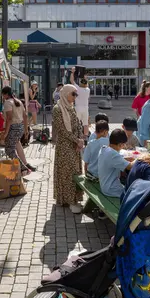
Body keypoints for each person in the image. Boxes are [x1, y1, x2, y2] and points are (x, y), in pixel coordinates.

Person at [53, 84, 85, 213]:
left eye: (76, 94)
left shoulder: (71, 108)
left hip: (74, 146)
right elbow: (62, 130)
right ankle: (69, 201)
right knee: (67, 173)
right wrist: (77, 140)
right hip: (65, 146)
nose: (75, 97)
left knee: (75, 172)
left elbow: (78, 125)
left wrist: (80, 139)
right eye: (73, 94)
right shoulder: (57, 108)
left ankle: (74, 199)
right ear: (66, 94)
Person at [1, 86, 35, 174]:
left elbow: (9, 119)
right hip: (20, 127)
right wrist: (26, 130)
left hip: (13, 127)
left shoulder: (8, 103)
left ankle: (22, 167)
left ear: (5, 94)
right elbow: (25, 116)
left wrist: (5, 133)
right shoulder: (19, 101)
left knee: (9, 150)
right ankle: (25, 164)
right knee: (17, 144)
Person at [97, 129, 134, 198]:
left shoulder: (104, 148)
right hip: (111, 188)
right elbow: (130, 167)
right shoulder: (113, 154)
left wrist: (125, 159)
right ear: (120, 144)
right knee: (133, 196)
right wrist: (139, 159)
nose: (124, 146)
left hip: (104, 184)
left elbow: (113, 161)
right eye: (123, 145)